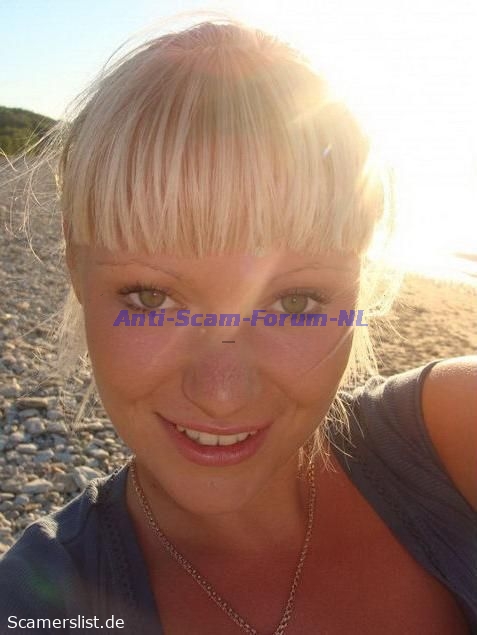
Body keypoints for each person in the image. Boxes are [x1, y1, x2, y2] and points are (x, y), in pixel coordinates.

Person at [1, 16, 476, 635]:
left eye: (296, 302)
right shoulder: (37, 605)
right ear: (76, 267)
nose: (221, 393)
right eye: (151, 297)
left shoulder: (456, 434)